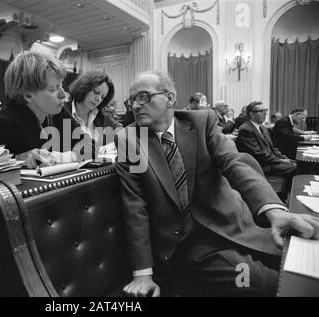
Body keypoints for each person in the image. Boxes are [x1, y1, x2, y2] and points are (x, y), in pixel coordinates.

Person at [115, 71, 319, 297]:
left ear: (170, 98)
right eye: (131, 100)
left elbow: (234, 162)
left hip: (236, 223)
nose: (135, 105)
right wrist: (142, 273)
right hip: (193, 245)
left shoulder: (201, 121)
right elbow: (135, 206)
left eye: (143, 96)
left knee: (303, 262)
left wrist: (274, 211)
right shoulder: (131, 139)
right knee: (266, 284)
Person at [0, 52, 96, 168]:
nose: (63, 94)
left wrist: (67, 157)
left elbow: (90, 144)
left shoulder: (60, 113)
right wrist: (16, 160)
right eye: (53, 89)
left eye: (61, 85)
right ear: (28, 95)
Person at [236, 101, 297, 177]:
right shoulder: (245, 130)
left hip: (269, 161)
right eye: (261, 111)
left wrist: (284, 158)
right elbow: (258, 154)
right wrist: (281, 161)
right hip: (259, 165)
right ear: (252, 114)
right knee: (295, 167)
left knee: (293, 163)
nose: (265, 113)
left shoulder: (263, 128)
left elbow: (273, 148)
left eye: (266, 110)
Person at [66, 71, 121, 144]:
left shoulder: (100, 115)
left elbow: (118, 129)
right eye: (96, 92)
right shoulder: (63, 111)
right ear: (84, 88)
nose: (98, 99)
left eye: (103, 97)